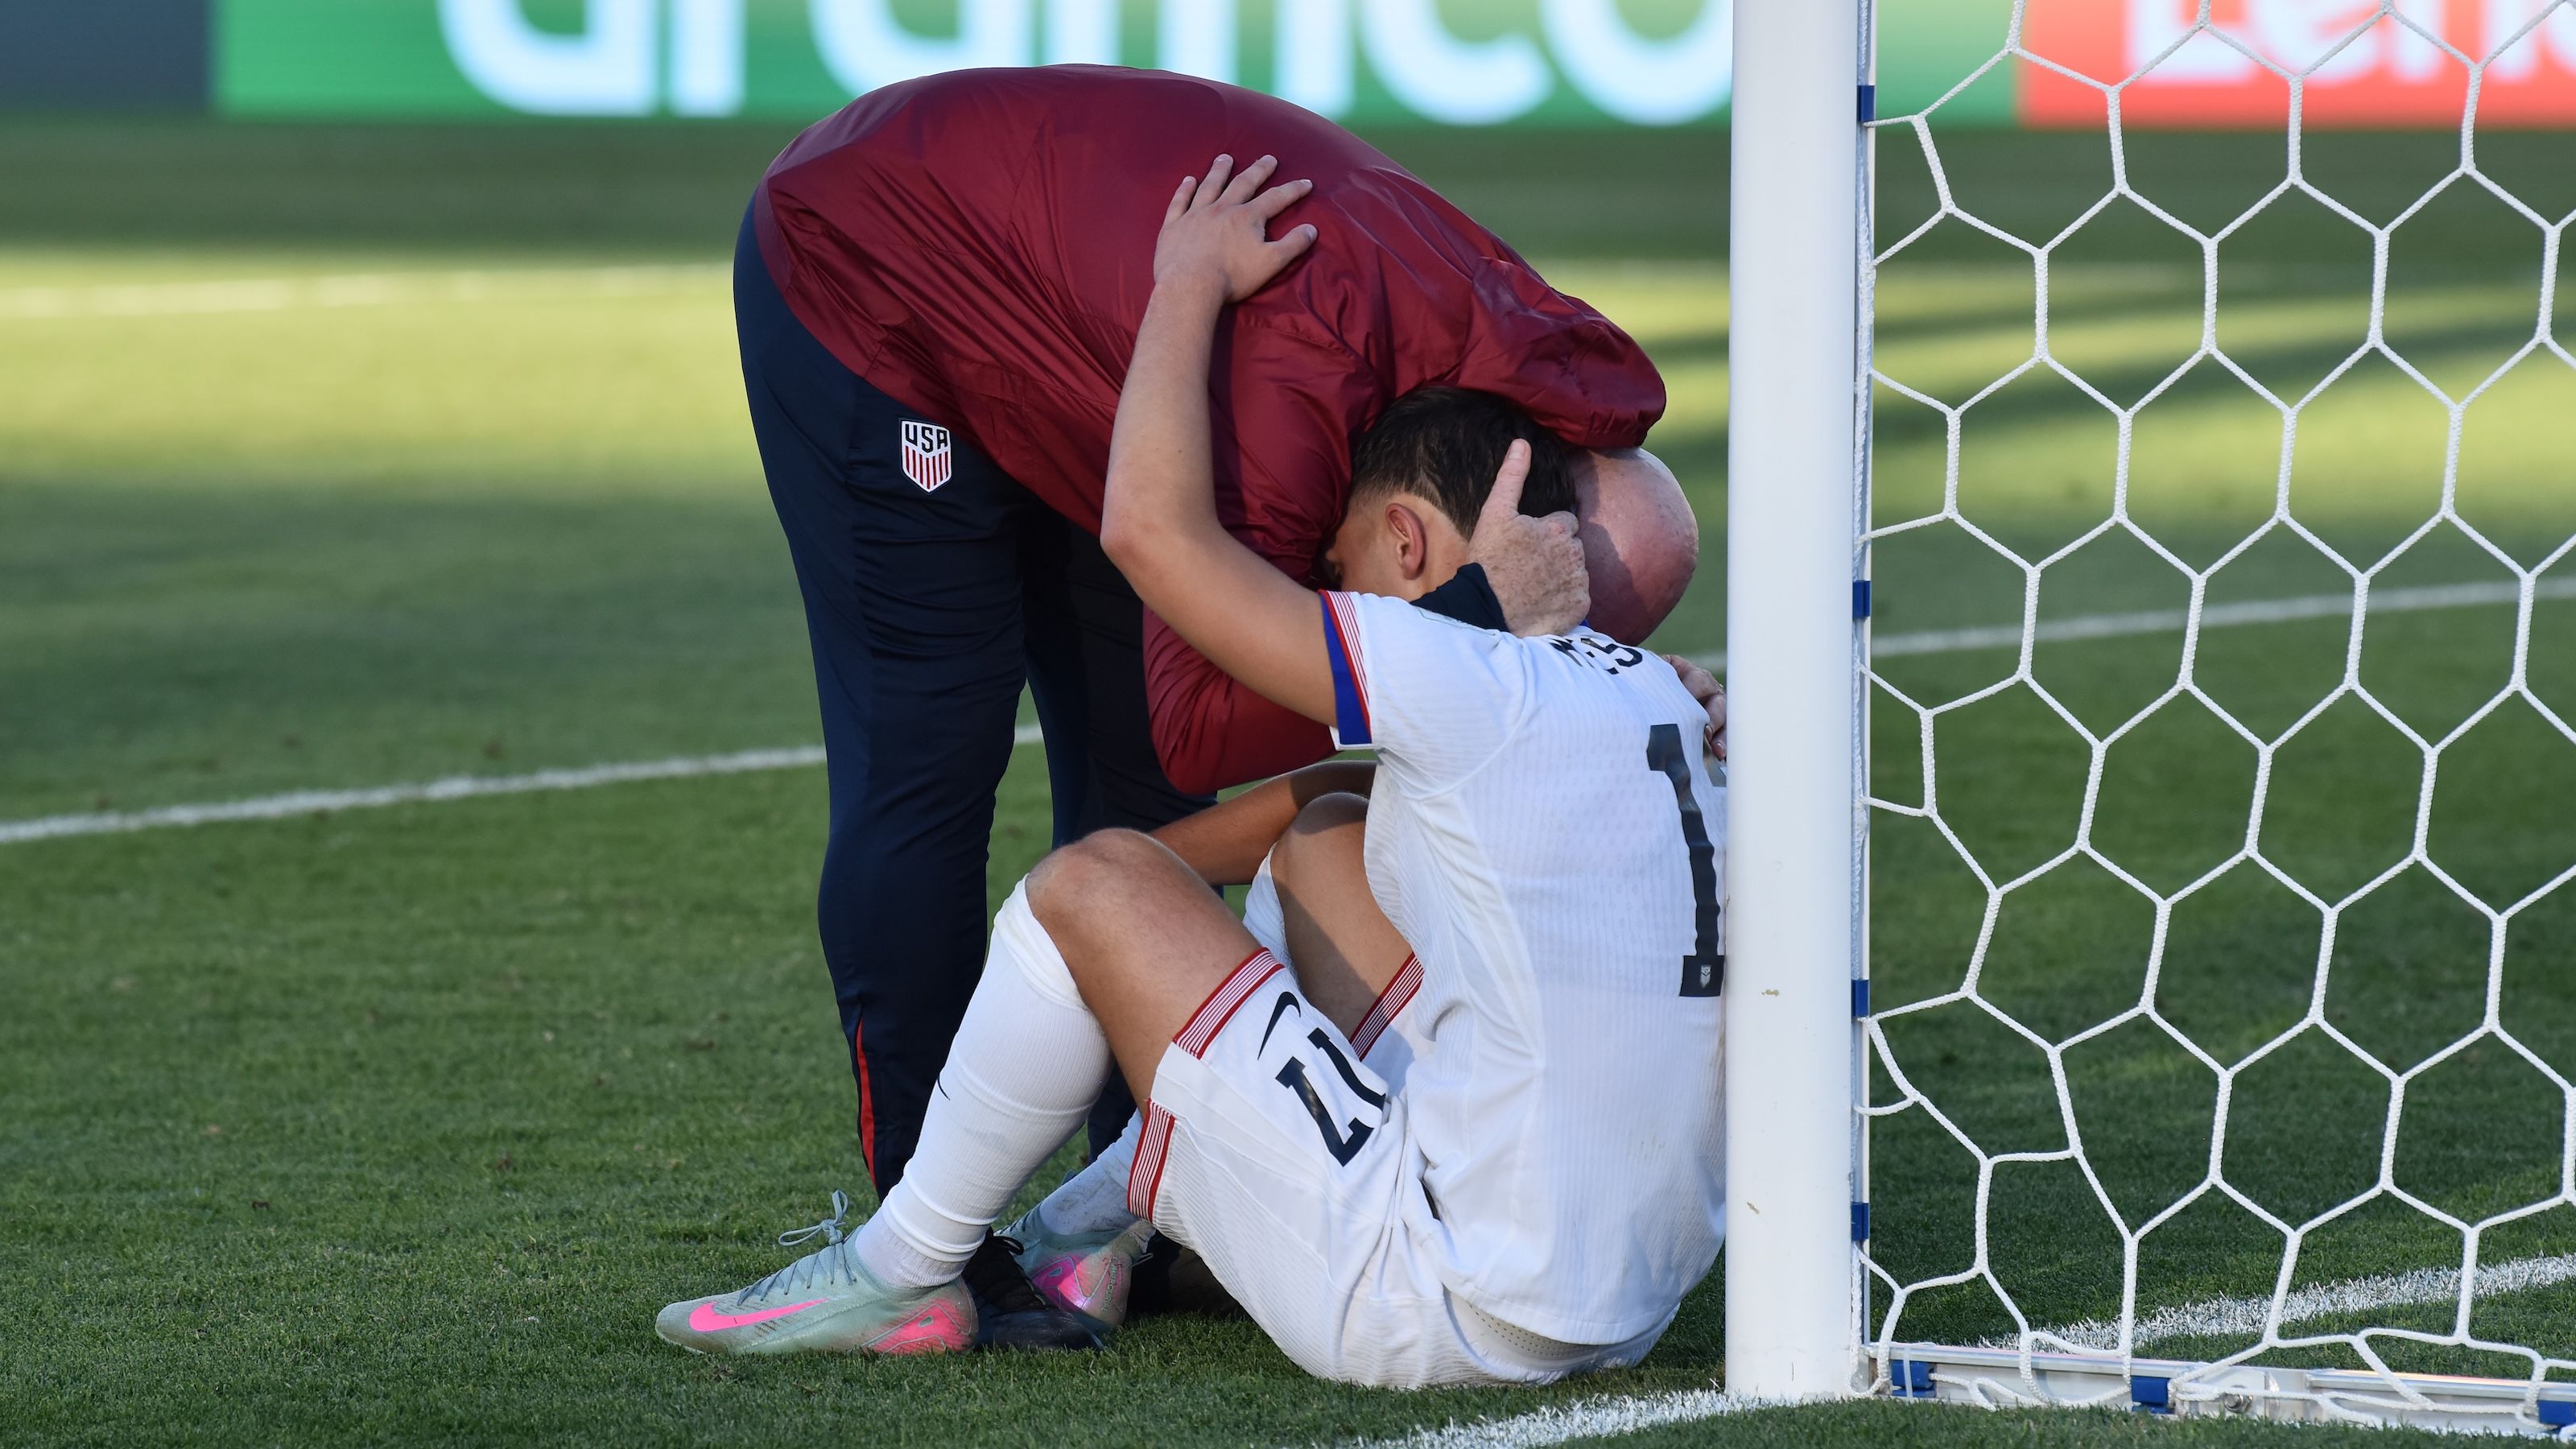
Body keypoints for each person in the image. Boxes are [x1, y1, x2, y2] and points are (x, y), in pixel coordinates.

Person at [659, 155, 1727, 1385]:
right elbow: (1343, 799)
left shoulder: (1459, 671)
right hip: (1627, 1302)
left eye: (1341, 564)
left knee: (1086, 893)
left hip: (1439, 1299)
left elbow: (1151, 539)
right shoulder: (1665, 699)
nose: (1331, 590)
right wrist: (1145, 913)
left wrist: (1186, 284)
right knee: (1324, 829)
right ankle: (1094, 1221)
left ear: (1409, 538)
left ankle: (897, 1272)